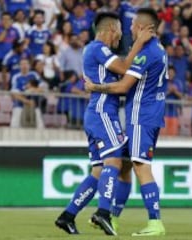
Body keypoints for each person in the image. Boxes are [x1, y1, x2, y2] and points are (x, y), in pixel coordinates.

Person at [54, 12, 153, 235]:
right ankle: (103, 212)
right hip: (103, 114)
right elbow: (125, 67)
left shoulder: (96, 50)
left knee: (98, 171)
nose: (121, 35)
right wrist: (139, 42)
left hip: (97, 113)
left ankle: (67, 215)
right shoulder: (99, 48)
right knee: (115, 163)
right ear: (110, 30)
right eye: (119, 30)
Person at [85, 8, 167, 237]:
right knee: (126, 167)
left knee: (141, 167)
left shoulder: (145, 53)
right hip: (146, 114)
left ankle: (155, 222)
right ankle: (113, 218)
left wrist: (95, 87)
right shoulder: (157, 49)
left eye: (131, 25)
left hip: (141, 117)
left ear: (141, 27)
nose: (129, 29)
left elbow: (122, 87)